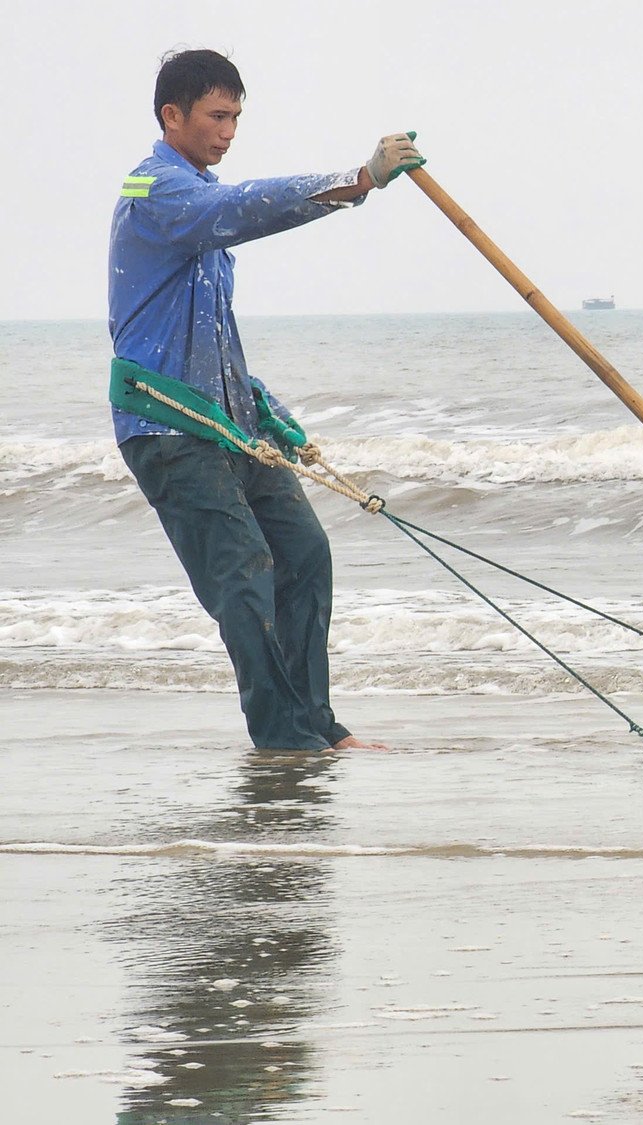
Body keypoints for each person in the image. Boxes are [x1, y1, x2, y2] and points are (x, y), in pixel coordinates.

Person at [108, 49, 422, 751]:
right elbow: (238, 207)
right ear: (172, 115)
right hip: (168, 429)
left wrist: (267, 411)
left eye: (236, 117)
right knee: (245, 573)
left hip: (230, 424)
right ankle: (284, 740)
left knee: (306, 554)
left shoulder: (198, 206)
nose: (229, 131)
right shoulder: (156, 192)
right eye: (217, 116)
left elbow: (213, 340)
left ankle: (315, 723)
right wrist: (357, 179)